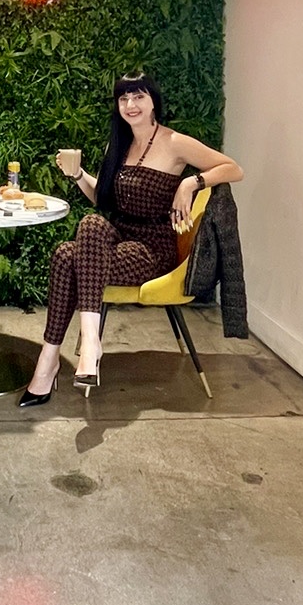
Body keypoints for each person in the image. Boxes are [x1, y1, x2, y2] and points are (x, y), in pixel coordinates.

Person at [19, 73, 243, 406]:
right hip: (118, 237)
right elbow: (103, 200)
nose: (130, 104)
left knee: (67, 257)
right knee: (89, 226)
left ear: (153, 101)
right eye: (123, 98)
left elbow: (233, 168)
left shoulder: (174, 142)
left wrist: (190, 183)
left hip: (153, 248)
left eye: (138, 96)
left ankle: (50, 364)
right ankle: (84, 345)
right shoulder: (118, 145)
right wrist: (77, 175)